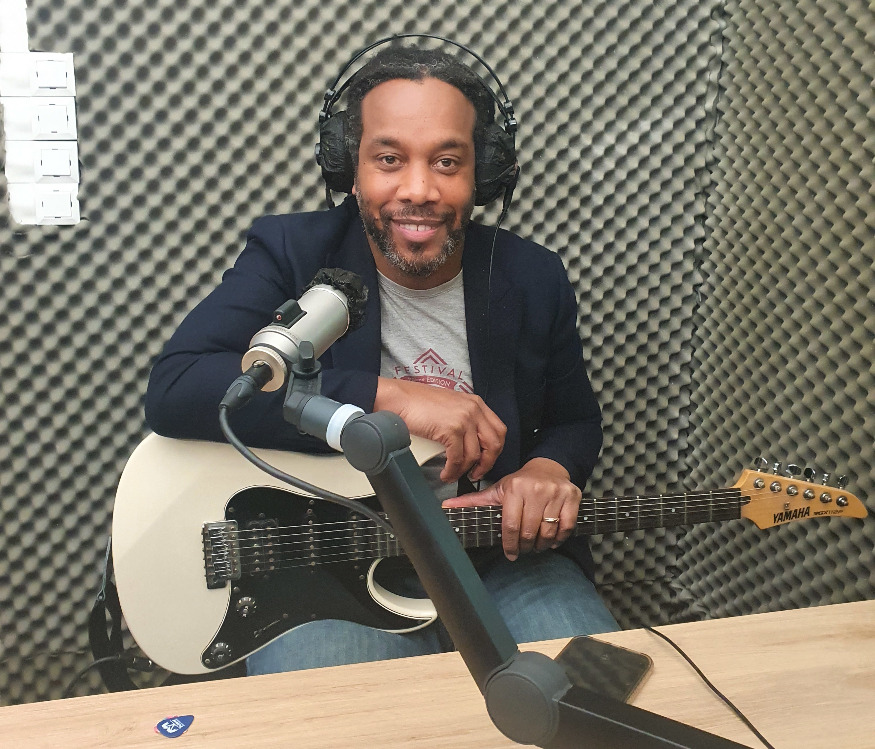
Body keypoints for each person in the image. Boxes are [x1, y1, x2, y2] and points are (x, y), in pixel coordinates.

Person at [144, 42, 619, 676]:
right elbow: (179, 387)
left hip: (499, 561)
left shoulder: (534, 277)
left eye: (446, 162)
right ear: (351, 168)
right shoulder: (291, 251)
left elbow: (575, 419)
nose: (418, 190)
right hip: (327, 570)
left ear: (483, 174)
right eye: (389, 159)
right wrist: (390, 398)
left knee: (590, 699)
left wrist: (547, 467)